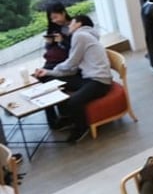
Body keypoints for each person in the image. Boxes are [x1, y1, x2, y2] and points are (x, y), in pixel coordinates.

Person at [33, 14, 113, 143]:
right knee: (49, 80)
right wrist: (48, 72)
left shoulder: (80, 35)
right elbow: (73, 68)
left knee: (73, 101)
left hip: (99, 81)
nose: (69, 26)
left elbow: (71, 64)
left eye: (72, 23)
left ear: (79, 24)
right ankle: (67, 118)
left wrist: (51, 71)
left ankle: (81, 128)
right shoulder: (86, 35)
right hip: (89, 78)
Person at [43, 3, 71, 69]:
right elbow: (48, 49)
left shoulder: (74, 25)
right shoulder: (55, 28)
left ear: (63, 13)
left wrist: (62, 41)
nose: (54, 21)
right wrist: (49, 43)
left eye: (55, 17)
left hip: (66, 61)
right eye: (52, 19)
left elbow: (75, 49)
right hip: (53, 61)